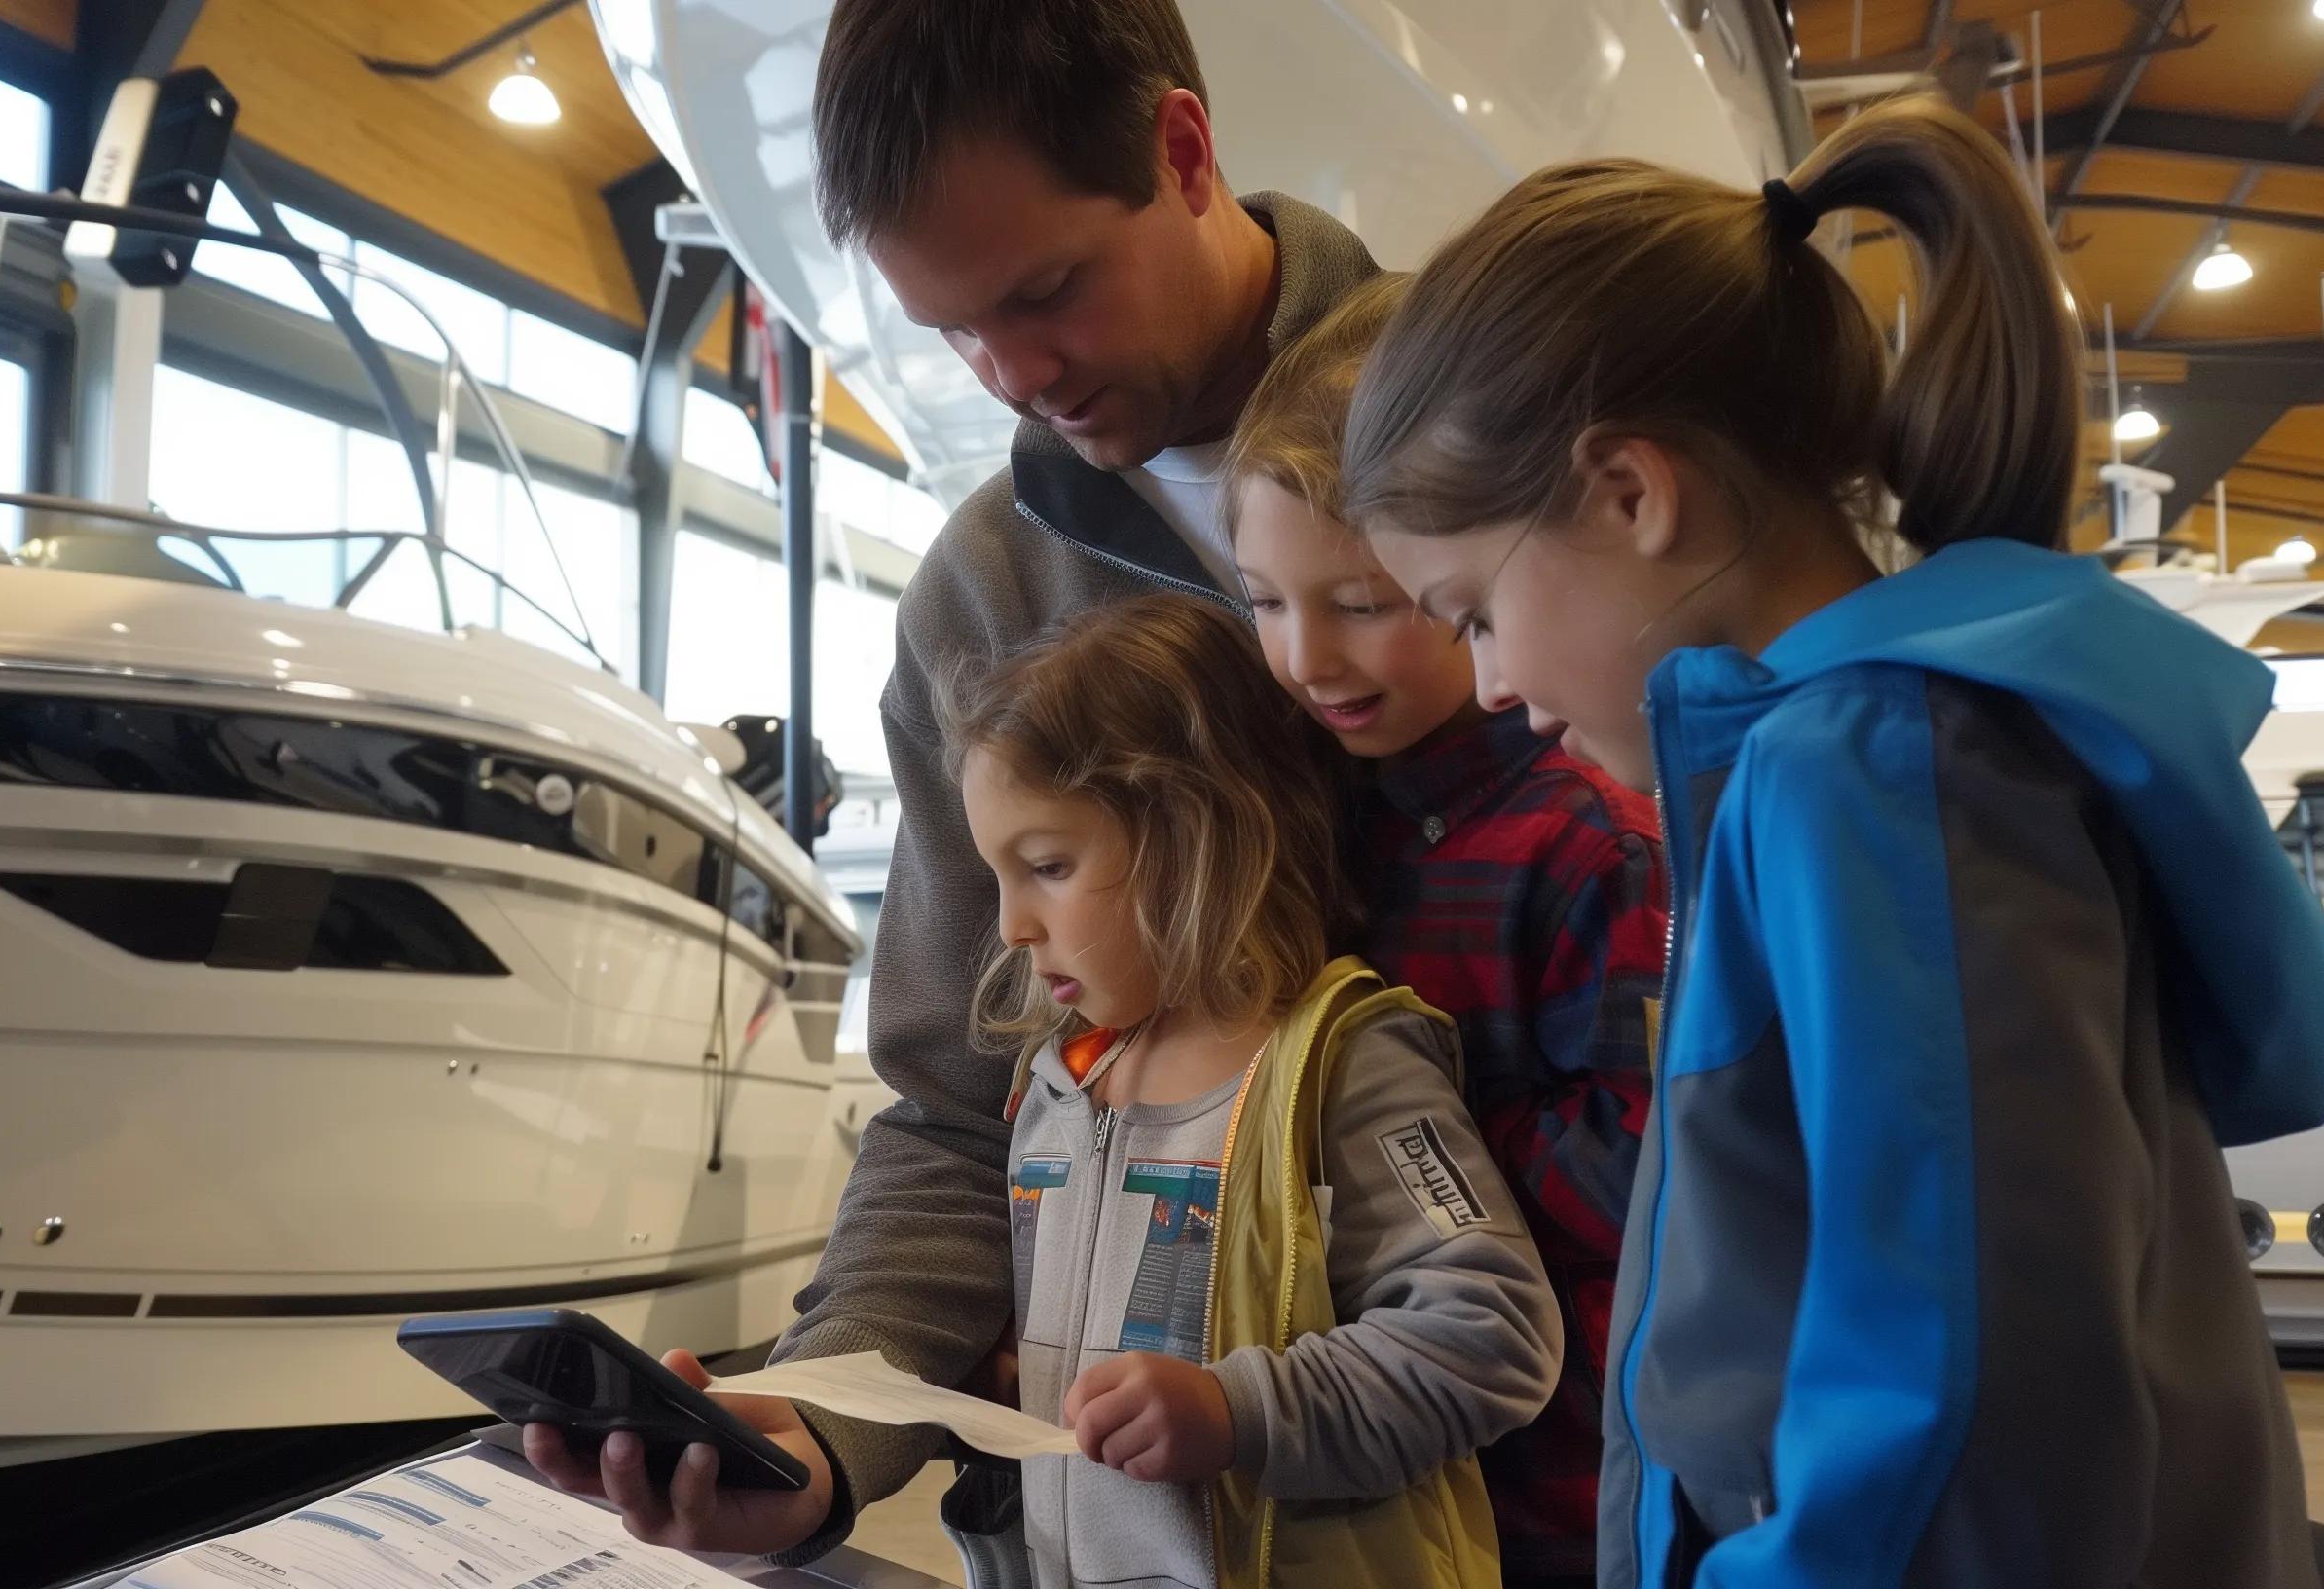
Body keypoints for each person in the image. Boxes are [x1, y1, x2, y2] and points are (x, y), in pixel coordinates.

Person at [1336, 93, 2324, 1586]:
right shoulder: (1884, 749)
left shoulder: (1870, 766)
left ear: (1628, 493)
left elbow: (1973, 1374)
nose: (1490, 684)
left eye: (1476, 610)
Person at [523, 0, 1399, 1565]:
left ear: (1181, 151)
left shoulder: (1492, 419)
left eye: (1045, 292)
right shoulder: (980, 599)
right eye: (953, 332)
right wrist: (826, 1420)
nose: (1012, 376)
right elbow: (952, 1105)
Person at [950, 591, 1556, 1589]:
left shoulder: (1340, 1066)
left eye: (1049, 866)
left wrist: (1237, 1413)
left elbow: (1489, 1336)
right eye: (998, 877)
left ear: (1196, 835)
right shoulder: (1058, 1086)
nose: (1013, 924)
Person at [1222, 275, 1664, 1589]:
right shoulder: (1296, 816)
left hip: (1558, 1480)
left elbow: (1651, 1163)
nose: (1307, 655)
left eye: (1362, 603)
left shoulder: (1590, 838)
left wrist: (1404, 1140)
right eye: (1263, 600)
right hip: (1356, 1458)